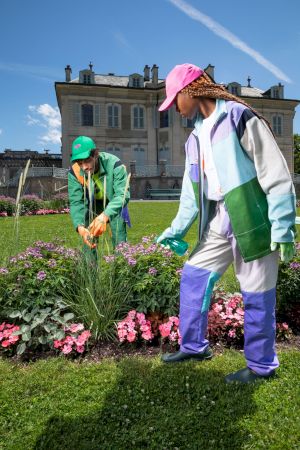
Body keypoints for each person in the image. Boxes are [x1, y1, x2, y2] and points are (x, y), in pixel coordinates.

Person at [157, 63, 296, 383]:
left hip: (253, 217)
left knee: (257, 293)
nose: (174, 110)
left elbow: (275, 171)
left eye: (174, 101)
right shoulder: (193, 140)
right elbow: (191, 192)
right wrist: (176, 229)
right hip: (220, 219)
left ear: (190, 90)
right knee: (193, 277)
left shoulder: (239, 117)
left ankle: (262, 367)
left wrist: (282, 225)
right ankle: (194, 346)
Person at [68, 136, 130, 256]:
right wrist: (80, 227)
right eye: (80, 163)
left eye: (87, 161)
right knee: (88, 240)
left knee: (120, 241)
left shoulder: (114, 163)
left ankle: (122, 265)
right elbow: (76, 202)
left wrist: (105, 216)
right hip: (91, 205)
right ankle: (91, 270)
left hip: (114, 203)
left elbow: (122, 195)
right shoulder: (74, 172)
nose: (84, 167)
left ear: (95, 154)